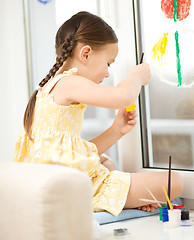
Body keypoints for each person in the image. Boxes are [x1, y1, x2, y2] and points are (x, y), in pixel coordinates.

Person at [14, 11, 183, 216]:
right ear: (85, 53)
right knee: (174, 182)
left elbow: (70, 154)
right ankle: (114, 198)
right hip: (68, 189)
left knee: (105, 162)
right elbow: (122, 96)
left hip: (56, 183)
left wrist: (116, 130)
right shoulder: (68, 83)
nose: (108, 72)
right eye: (108, 63)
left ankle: (122, 198)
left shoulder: (47, 89)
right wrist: (136, 77)